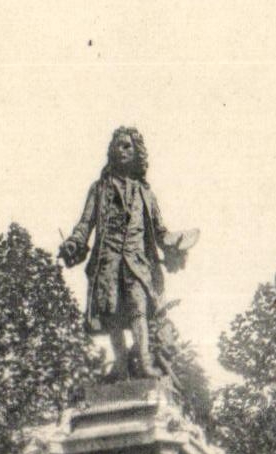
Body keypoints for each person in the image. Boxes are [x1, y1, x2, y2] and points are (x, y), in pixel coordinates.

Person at [59, 127, 197, 379]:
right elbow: (85, 223)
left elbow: (159, 231)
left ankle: (144, 362)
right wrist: (73, 243)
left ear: (136, 153)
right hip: (108, 260)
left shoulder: (146, 193)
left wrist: (175, 244)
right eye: (118, 145)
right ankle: (121, 364)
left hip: (137, 261)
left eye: (128, 146)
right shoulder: (99, 189)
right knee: (111, 312)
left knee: (138, 308)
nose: (122, 150)